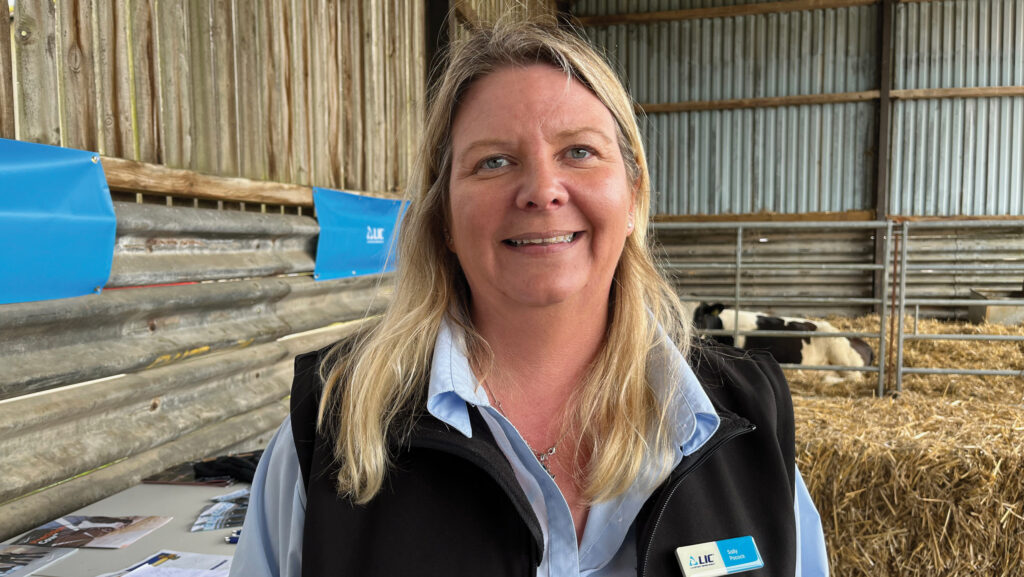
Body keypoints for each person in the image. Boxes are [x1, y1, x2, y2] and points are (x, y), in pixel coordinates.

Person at [230, 16, 829, 577]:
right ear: (442, 218)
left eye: (579, 152)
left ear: (634, 196)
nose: (542, 190)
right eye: (494, 161)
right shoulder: (331, 428)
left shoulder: (745, 426)